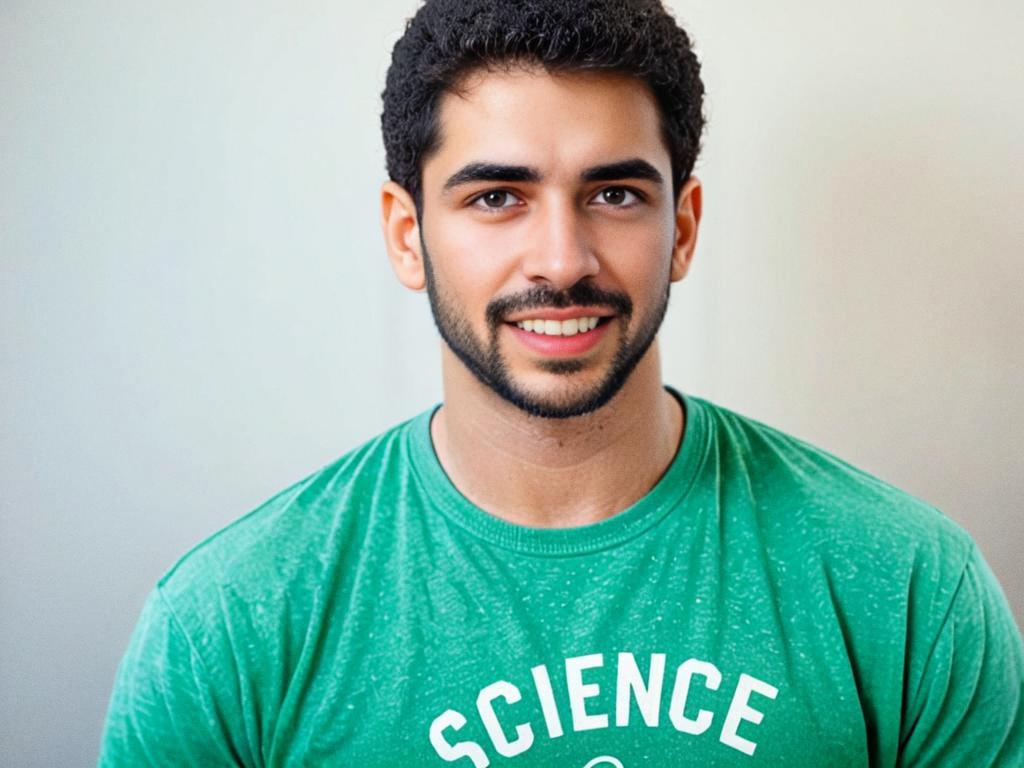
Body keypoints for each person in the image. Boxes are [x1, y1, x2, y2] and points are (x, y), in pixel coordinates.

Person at [98, 0, 1023, 765]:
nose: (561, 258)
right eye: (496, 196)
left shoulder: (904, 587)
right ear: (406, 234)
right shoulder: (230, 623)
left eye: (614, 194)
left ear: (684, 227)